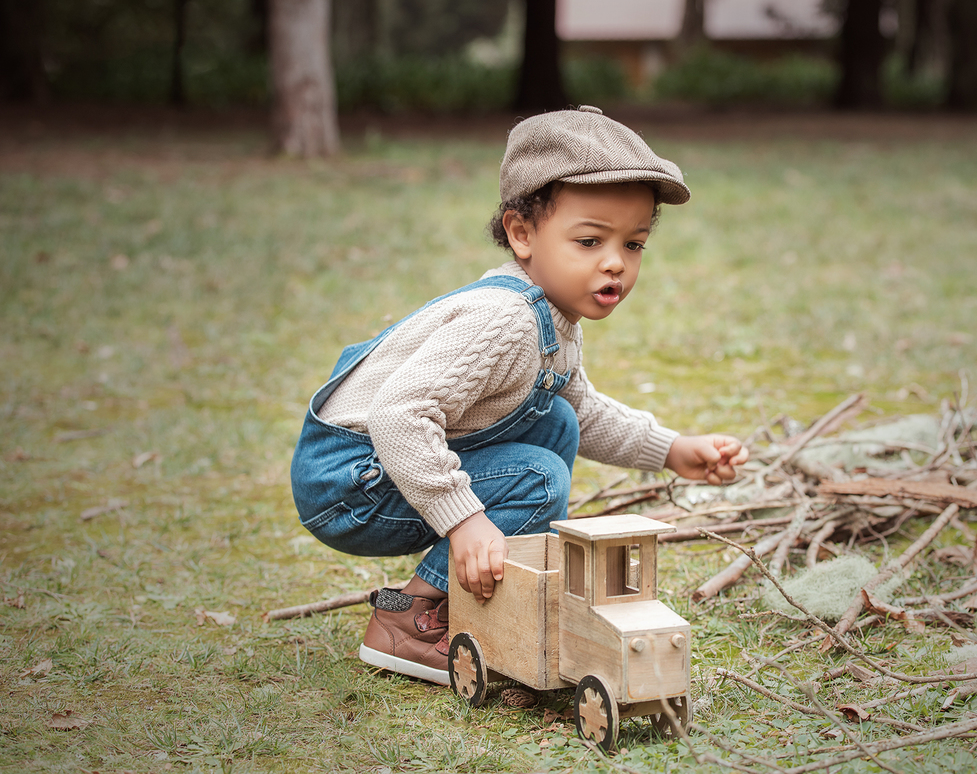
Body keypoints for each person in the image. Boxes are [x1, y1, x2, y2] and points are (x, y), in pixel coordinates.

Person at [290, 105, 749, 687]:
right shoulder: (506, 321)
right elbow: (399, 414)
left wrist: (672, 449)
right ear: (522, 233)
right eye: (590, 240)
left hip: (379, 467)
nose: (615, 263)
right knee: (537, 479)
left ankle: (481, 596)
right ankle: (408, 619)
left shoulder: (553, 317)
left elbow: (582, 409)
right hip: (349, 483)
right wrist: (463, 521)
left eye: (634, 245)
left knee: (557, 421)